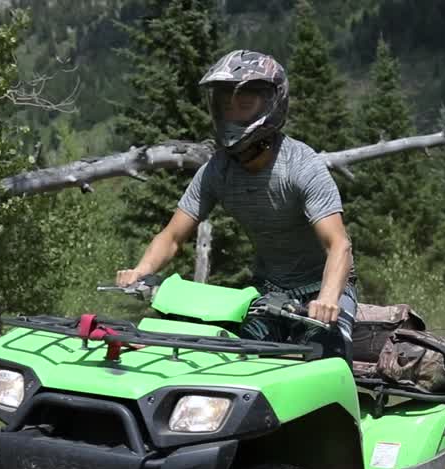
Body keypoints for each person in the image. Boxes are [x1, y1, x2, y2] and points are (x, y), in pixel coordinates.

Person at [115, 49, 358, 360]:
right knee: (238, 362)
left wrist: (327, 299)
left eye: (244, 104)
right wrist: (141, 271)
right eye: (225, 104)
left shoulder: (301, 165)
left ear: (272, 103)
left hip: (324, 291)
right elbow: (173, 236)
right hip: (269, 295)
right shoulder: (219, 170)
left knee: (328, 360)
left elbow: (339, 245)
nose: (233, 113)